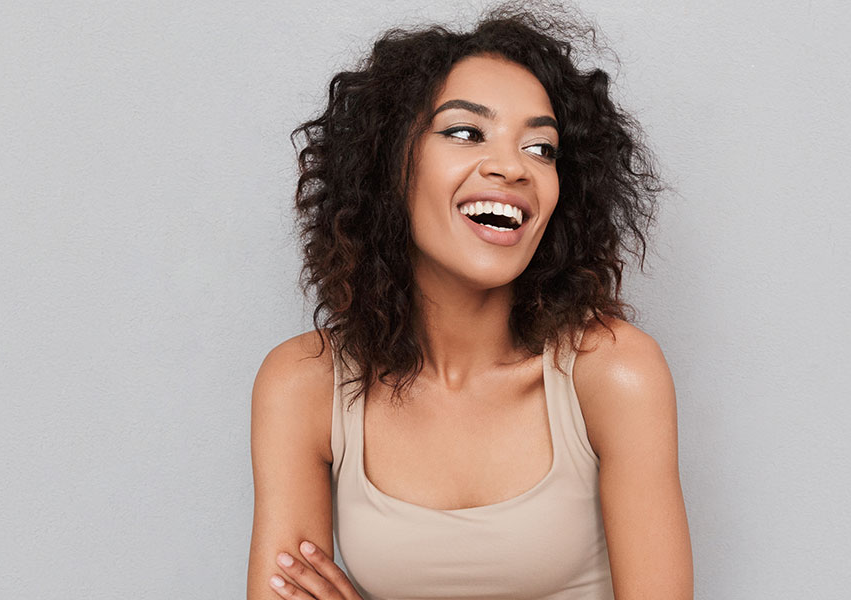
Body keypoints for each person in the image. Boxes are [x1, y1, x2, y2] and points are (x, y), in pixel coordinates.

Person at [247, 4, 692, 598]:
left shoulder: (615, 374)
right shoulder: (303, 384)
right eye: (464, 132)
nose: (512, 166)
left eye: (542, 148)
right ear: (389, 165)